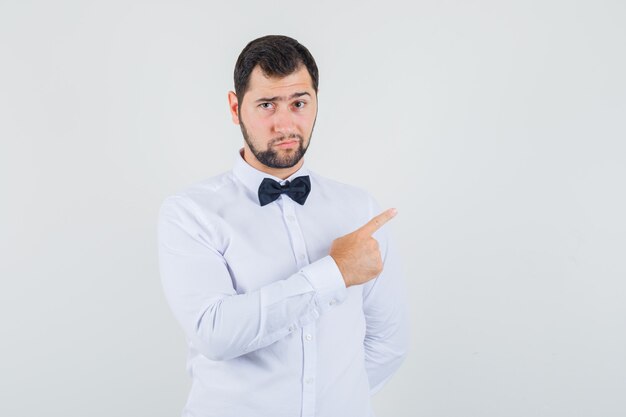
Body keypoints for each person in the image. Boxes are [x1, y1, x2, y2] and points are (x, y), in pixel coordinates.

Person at [158, 34, 409, 417]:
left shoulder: (359, 209)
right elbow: (215, 332)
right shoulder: (191, 213)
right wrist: (335, 273)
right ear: (234, 106)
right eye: (266, 105)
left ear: (316, 101)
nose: (285, 123)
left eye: (298, 103)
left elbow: (387, 344)